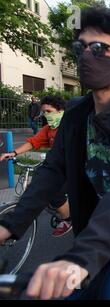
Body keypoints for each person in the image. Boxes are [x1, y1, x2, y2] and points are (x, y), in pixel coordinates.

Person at [0, 7, 110, 300]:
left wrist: (80, 259)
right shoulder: (75, 112)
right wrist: (9, 224)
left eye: (99, 48)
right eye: (80, 48)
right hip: (97, 219)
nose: (85, 56)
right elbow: (53, 171)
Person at [1, 96, 72, 237]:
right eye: (44, 112)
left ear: (61, 110)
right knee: (41, 186)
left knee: (54, 191)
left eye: (49, 111)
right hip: (57, 168)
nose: (46, 115)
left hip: (74, 169)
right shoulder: (48, 129)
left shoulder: (70, 125)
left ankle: (68, 219)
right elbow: (33, 142)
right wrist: (13, 152)